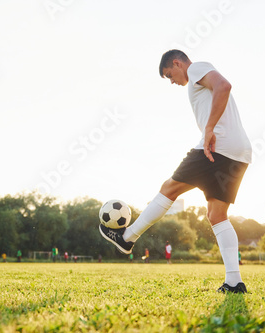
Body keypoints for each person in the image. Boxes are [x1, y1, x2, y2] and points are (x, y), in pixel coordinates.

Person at [99, 49, 251, 294]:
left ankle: (127, 238)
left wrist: (210, 129)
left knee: (169, 188)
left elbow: (224, 86)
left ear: (178, 63)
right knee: (216, 215)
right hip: (238, 151)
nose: (172, 81)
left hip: (216, 146)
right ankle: (234, 282)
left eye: (170, 74)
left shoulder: (196, 68)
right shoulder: (197, 78)